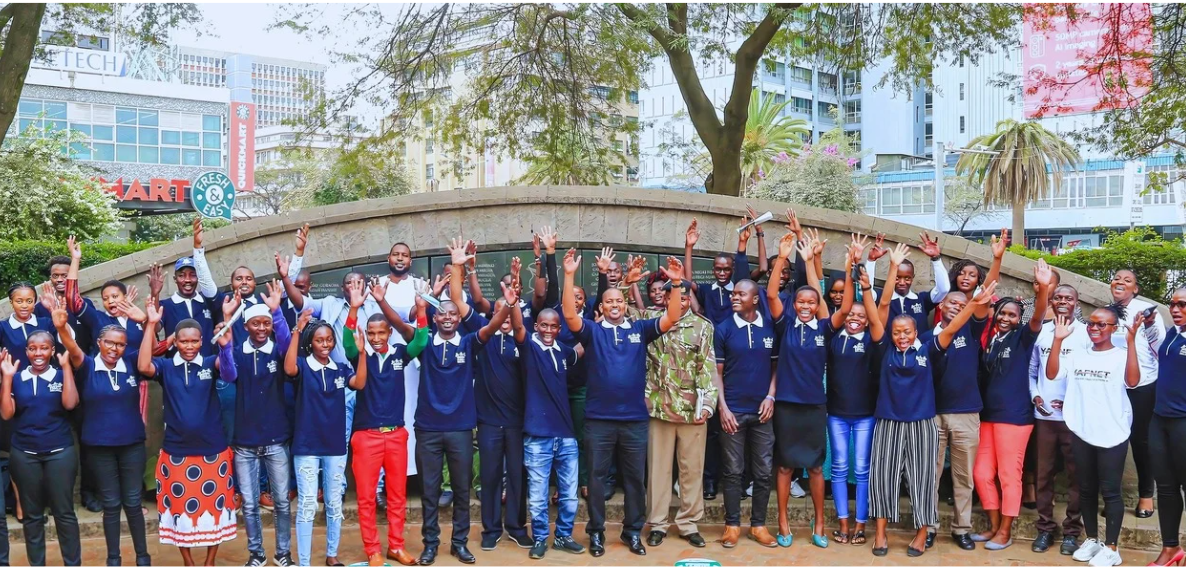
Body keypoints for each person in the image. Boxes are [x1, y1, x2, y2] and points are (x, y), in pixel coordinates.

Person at [868, 243, 996, 558]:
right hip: (889, 423)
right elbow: (881, 306)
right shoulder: (884, 348)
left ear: (916, 332)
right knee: (883, 478)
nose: (902, 336)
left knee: (924, 480)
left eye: (907, 332)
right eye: (897, 332)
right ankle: (881, 534)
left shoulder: (928, 347)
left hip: (922, 423)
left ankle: (923, 532)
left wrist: (973, 302)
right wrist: (892, 267)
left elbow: (954, 327)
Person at [561, 247, 683, 558]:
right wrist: (569, 275)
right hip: (598, 420)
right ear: (601, 307)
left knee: (634, 480)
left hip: (634, 421)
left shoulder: (640, 329)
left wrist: (676, 284)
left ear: (625, 304)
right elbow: (570, 315)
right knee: (596, 480)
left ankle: (632, 532)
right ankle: (596, 533)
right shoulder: (592, 331)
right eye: (609, 302)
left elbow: (671, 317)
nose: (614, 305)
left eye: (619, 301)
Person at [409, 238, 517, 566]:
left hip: (459, 429)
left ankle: (459, 542)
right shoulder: (424, 343)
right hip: (428, 429)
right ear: (435, 317)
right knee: (430, 492)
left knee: (461, 490)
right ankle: (430, 544)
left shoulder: (470, 342)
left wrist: (508, 306)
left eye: (453, 314)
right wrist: (456, 266)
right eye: (442, 313)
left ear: (460, 319)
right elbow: (405, 325)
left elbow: (492, 327)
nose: (447, 317)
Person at [138, 300, 238, 566]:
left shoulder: (210, 362)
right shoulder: (166, 367)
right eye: (184, 341)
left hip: (213, 450)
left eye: (194, 341)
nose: (190, 346)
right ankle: (189, 562)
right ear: (175, 342)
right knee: (180, 510)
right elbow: (144, 365)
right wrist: (150, 325)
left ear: (202, 341)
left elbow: (229, 374)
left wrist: (226, 346)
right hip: (177, 452)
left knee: (214, 509)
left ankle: (209, 561)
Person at [56, 299, 151, 566]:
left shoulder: (131, 362)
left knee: (133, 502)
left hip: (132, 445)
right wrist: (61, 327)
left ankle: (143, 557)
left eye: (120, 344)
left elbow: (151, 350)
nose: (114, 348)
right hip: (99, 447)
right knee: (110, 504)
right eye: (109, 343)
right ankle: (113, 559)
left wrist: (148, 322)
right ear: (99, 343)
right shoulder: (87, 366)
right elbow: (72, 347)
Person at [1046, 307, 1140, 568]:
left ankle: (1112, 548)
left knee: (1110, 491)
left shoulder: (1121, 355)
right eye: (1091, 323)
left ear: (1113, 328)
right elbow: (1052, 374)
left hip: (1112, 433)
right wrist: (1057, 340)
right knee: (1085, 489)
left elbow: (1133, 382)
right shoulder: (1078, 354)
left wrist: (1132, 343)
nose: (1095, 328)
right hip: (1082, 430)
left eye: (1102, 325)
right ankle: (1093, 540)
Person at [344, 282, 429, 567]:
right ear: (366, 334)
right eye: (371, 333)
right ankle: (373, 551)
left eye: (381, 332)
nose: (376, 338)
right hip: (366, 436)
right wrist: (354, 309)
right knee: (366, 498)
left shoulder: (399, 354)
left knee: (397, 495)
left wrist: (421, 310)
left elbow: (421, 341)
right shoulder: (359, 355)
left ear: (390, 333)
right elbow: (346, 341)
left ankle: (396, 546)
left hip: (395, 435)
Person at [973, 260, 1056, 550]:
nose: (1006, 318)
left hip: (1015, 417)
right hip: (988, 416)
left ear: (1019, 319)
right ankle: (994, 525)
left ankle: (1005, 531)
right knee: (982, 473)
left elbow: (1039, 316)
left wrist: (1043, 288)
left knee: (1009, 475)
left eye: (1012, 314)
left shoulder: (1023, 337)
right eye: (1002, 313)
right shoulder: (991, 339)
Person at [283, 307, 367, 567]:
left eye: (329, 340)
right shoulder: (302, 366)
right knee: (308, 504)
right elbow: (288, 368)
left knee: (333, 503)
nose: (325, 344)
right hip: (307, 446)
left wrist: (362, 354)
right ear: (311, 343)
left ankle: (332, 555)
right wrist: (297, 330)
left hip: (335, 446)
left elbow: (360, 383)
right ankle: (304, 562)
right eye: (320, 340)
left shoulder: (340, 369)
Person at [641, 269, 717, 550]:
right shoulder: (650, 320)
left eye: (685, 298)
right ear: (666, 298)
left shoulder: (702, 326)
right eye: (674, 297)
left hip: (690, 410)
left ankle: (689, 523)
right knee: (658, 471)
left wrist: (707, 404)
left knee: (691, 470)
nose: (680, 302)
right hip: (658, 407)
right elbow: (617, 311)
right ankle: (658, 524)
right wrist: (627, 283)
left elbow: (707, 367)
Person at [765, 231, 831, 548]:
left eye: (811, 302)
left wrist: (810, 263)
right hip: (787, 406)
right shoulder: (786, 325)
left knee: (816, 467)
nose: (806, 306)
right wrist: (781, 257)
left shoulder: (824, 327)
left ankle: (819, 523)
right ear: (794, 305)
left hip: (814, 406)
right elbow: (771, 295)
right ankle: (783, 522)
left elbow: (825, 301)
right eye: (801, 302)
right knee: (784, 465)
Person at [226, 281, 295, 567]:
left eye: (266, 323)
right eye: (256, 323)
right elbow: (228, 375)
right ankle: (256, 553)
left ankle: (283, 553)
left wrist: (276, 313)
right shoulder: (237, 352)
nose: (262, 328)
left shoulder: (278, 351)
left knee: (281, 502)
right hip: (245, 443)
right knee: (250, 504)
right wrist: (225, 343)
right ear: (246, 326)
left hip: (276, 439)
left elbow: (288, 345)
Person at [512, 303, 587, 559]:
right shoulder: (529, 347)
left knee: (569, 495)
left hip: (566, 435)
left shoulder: (561, 350)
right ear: (536, 326)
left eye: (553, 326)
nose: (548, 330)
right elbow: (518, 328)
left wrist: (596, 328)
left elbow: (578, 351)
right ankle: (540, 538)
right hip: (537, 436)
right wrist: (512, 304)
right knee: (537, 495)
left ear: (559, 329)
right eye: (543, 325)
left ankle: (563, 536)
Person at [1, 325, 79, 567]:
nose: (38, 353)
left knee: (64, 513)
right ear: (26, 352)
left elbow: (70, 404)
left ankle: (72, 563)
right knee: (32, 516)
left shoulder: (60, 374)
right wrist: (6, 378)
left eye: (44, 348)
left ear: (52, 350)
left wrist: (67, 368)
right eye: (32, 349)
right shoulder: (17, 378)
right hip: (25, 454)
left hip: (60, 452)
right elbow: (6, 414)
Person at [923, 285, 994, 549]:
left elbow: (982, 307)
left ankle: (961, 528)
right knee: (930, 475)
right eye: (952, 302)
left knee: (964, 476)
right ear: (940, 305)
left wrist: (982, 294)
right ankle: (928, 527)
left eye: (963, 305)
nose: (957, 307)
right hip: (932, 415)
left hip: (966, 414)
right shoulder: (925, 337)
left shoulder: (971, 331)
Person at [825, 235, 884, 547]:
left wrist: (864, 274)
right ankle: (843, 524)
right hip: (836, 414)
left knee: (862, 469)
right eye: (851, 315)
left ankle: (861, 524)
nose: (855, 319)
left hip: (865, 416)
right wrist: (850, 264)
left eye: (860, 316)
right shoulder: (833, 337)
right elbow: (841, 302)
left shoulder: (873, 342)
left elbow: (875, 313)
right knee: (838, 468)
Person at [471, 256, 533, 553]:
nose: (505, 315)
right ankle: (491, 528)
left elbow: (518, 323)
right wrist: (466, 268)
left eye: (509, 310)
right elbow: (463, 302)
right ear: (493, 315)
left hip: (517, 422)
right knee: (491, 476)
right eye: (500, 310)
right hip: (488, 422)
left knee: (518, 476)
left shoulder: (522, 339)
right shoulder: (482, 339)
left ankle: (517, 527)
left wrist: (514, 298)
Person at [713, 277, 777, 549]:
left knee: (763, 472)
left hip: (763, 412)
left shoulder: (770, 327)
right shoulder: (723, 328)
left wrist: (771, 396)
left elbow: (776, 368)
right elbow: (716, 373)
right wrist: (723, 407)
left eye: (741, 294)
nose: (734, 297)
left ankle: (758, 526)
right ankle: (732, 526)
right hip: (733, 411)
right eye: (733, 294)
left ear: (755, 299)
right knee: (732, 472)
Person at [1028, 284, 1085, 555]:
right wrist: (1035, 395)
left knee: (1077, 476)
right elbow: (1032, 370)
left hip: (1075, 418)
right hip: (1045, 417)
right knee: (1044, 474)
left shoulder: (1086, 334)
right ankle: (1045, 528)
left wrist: (1072, 400)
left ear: (1077, 303)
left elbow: (1088, 375)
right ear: (1051, 302)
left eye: (1068, 298)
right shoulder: (1042, 332)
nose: (1063, 301)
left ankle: (1072, 532)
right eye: (1058, 297)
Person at [1109, 268, 1163, 519]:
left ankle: (1146, 495)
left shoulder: (1146, 311)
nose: (1120, 282)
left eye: (1127, 280)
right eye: (1117, 278)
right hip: (1113, 386)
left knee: (1141, 441)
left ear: (1136, 288)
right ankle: (1112, 498)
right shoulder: (1106, 312)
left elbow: (1160, 347)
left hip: (1143, 385)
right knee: (1112, 441)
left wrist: (1150, 326)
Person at [1149, 287, 1186, 567]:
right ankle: (1170, 547)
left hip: (1184, 422)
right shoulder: (1173, 333)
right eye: (1172, 304)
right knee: (1166, 487)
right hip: (1160, 420)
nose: (1175, 309)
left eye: (1182, 305)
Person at [865, 231, 950, 331]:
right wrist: (871, 261)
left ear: (913, 278)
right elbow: (866, 292)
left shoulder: (922, 299)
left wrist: (936, 259)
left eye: (907, 278)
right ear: (891, 277)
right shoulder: (881, 298)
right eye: (897, 278)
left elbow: (944, 289)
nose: (902, 282)